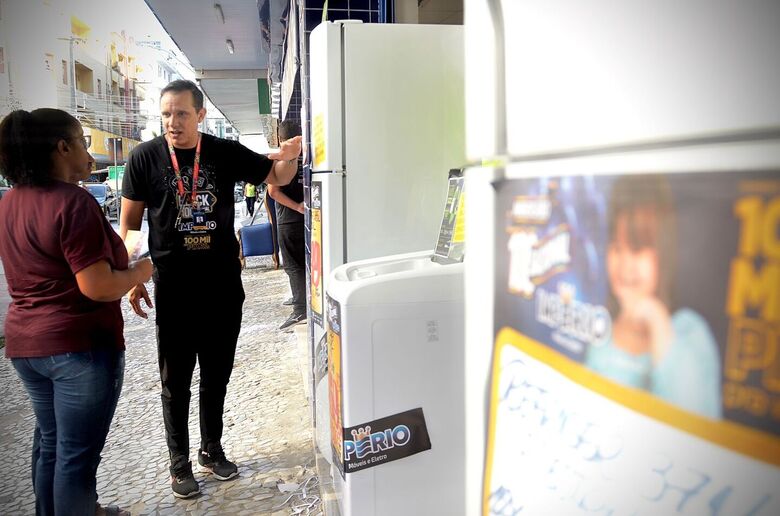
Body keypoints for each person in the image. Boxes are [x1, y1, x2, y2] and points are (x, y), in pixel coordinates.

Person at [119, 79, 302, 499]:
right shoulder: (144, 158)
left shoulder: (223, 151)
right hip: (174, 289)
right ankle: (179, 463)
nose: (173, 122)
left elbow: (276, 174)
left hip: (222, 287)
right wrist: (130, 274)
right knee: (175, 382)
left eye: (182, 114)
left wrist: (291, 155)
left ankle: (211, 449)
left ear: (200, 115)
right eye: (166, 114)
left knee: (216, 375)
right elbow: (129, 225)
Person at [0, 109, 153, 515]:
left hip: (27, 345)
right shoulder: (73, 201)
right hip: (78, 346)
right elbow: (97, 286)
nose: (89, 153)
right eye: (83, 143)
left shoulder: (10, 201)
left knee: (51, 445)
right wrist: (141, 271)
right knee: (75, 459)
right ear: (62, 147)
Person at [585, 174, 721, 419]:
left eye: (637, 249)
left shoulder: (690, 330)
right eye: (617, 248)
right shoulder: (601, 331)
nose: (625, 265)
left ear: (664, 253)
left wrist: (656, 318)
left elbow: (692, 421)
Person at [268, 120, 306, 330]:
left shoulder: (281, 158)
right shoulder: (308, 156)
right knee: (306, 262)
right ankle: (301, 298)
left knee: (293, 264)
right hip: (309, 219)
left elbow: (273, 192)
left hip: (289, 219)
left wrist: (297, 207)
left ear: (280, 138)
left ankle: (300, 308)